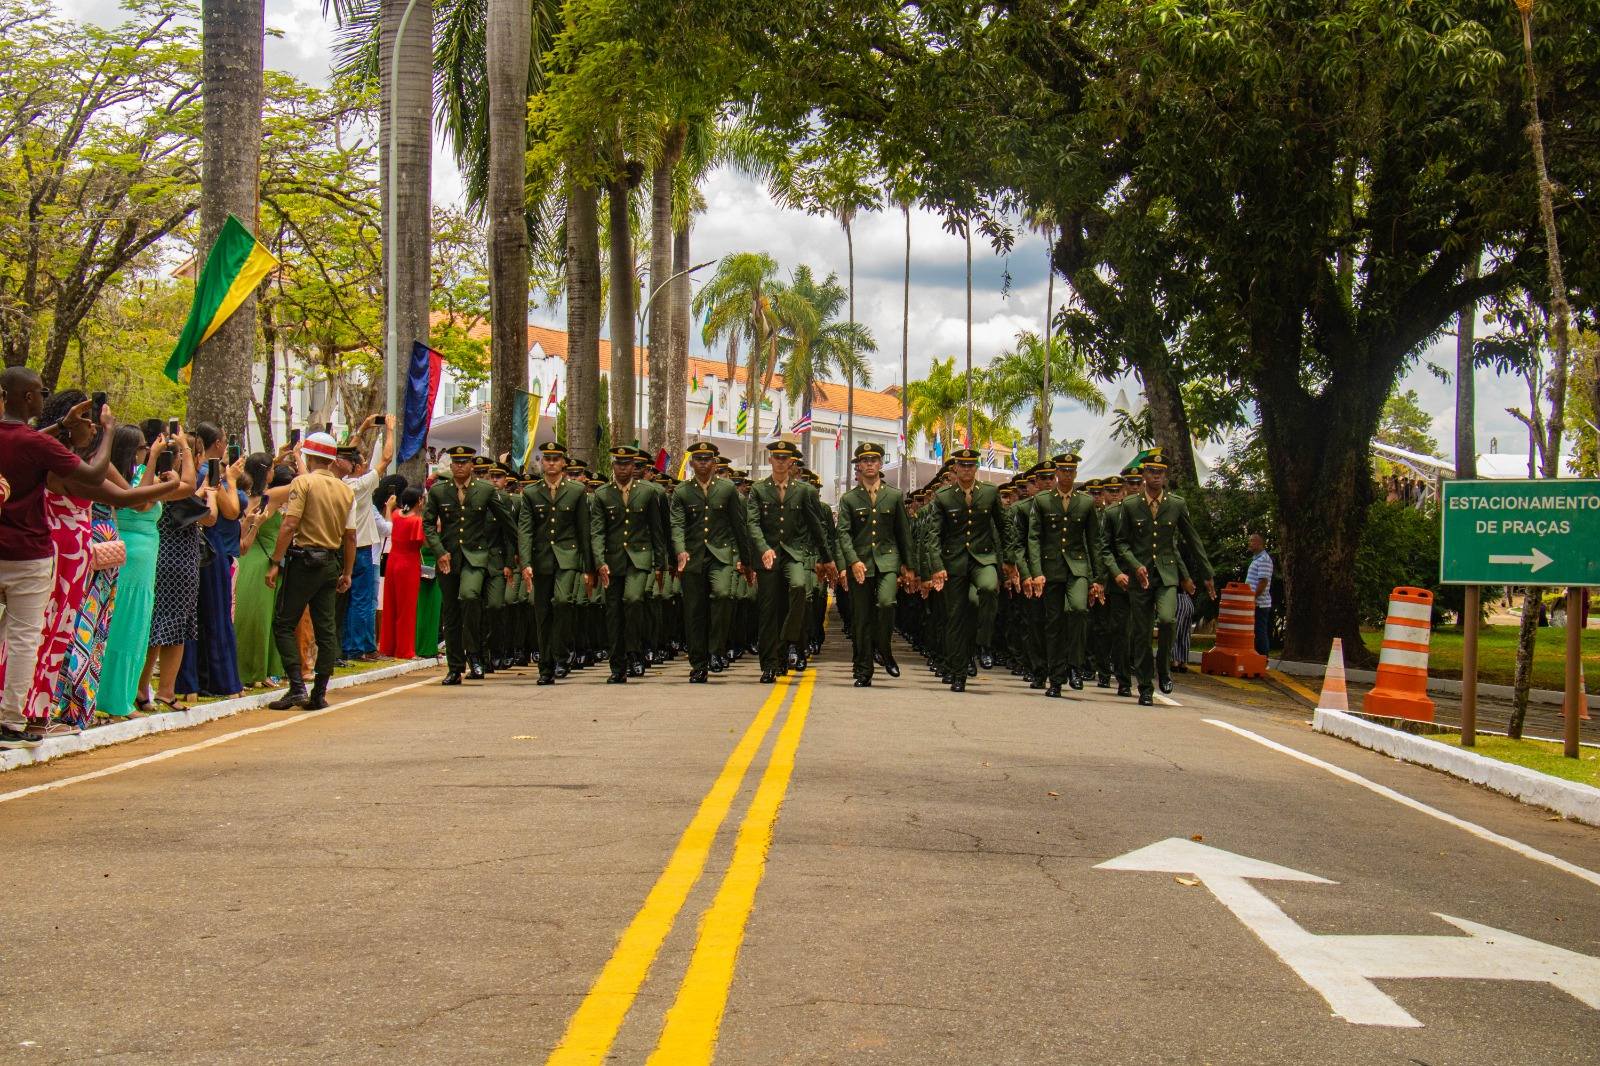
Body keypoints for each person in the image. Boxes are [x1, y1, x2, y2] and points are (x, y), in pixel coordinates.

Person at [99, 430, 195, 716]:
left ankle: (124, 696)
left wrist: (185, 451)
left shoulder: (142, 474)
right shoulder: (117, 475)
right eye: (143, 447)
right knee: (120, 628)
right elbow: (139, 501)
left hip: (145, 560)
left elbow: (188, 486)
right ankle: (115, 699)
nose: (146, 450)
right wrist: (153, 459)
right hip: (125, 554)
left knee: (137, 629)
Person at [1108, 451, 1213, 705]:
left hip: (1166, 575)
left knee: (1167, 620)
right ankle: (1145, 686)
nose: (1156, 477)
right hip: (1140, 577)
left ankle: (1163, 668)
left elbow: (1192, 539)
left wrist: (1207, 573)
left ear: (1165, 476)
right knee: (1142, 633)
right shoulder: (1130, 505)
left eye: (1161, 473)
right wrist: (1134, 566)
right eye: (1152, 472)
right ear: (1144, 475)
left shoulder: (1176, 504)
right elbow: (1121, 543)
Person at [265, 432, 356, 710]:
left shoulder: (303, 483)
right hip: (331, 562)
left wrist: (276, 561)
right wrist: (347, 572)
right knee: (325, 629)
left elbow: (290, 524)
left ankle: (296, 686)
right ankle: (319, 691)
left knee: (283, 623)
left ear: (309, 457)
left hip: (304, 560)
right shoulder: (346, 490)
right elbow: (350, 537)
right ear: (331, 459)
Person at [922, 448, 1021, 692]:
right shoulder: (944, 497)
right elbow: (933, 536)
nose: (966, 469)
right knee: (956, 618)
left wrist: (1008, 559)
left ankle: (984, 642)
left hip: (983, 558)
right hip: (954, 562)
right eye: (962, 465)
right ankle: (958, 672)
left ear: (976, 467)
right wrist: (936, 567)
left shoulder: (989, 493)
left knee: (988, 589)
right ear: (955, 468)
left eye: (971, 465)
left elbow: (1004, 526)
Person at [746, 439, 835, 682]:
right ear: (770, 459)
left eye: (785, 458)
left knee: (799, 588)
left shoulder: (803, 490)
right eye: (777, 457)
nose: (781, 461)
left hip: (794, 555)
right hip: (769, 558)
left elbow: (816, 527)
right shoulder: (758, 489)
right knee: (768, 611)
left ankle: (786, 643)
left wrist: (827, 559)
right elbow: (752, 523)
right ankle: (769, 664)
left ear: (792, 462)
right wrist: (763, 548)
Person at [670, 441, 759, 683]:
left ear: (714, 462)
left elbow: (739, 526)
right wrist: (680, 550)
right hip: (693, 557)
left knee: (722, 595)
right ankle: (698, 664)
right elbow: (677, 525)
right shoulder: (682, 492)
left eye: (707, 459)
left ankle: (715, 650)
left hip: (721, 555)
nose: (702, 463)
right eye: (698, 459)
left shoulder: (727, 489)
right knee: (694, 611)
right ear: (691, 463)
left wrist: (746, 561)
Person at [1026, 453, 1112, 697]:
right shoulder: (1043, 501)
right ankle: (1056, 677)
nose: (1066, 474)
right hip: (1051, 569)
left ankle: (1074, 665)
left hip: (1077, 567)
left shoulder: (1084, 503)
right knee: (1053, 623)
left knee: (1078, 610)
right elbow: (1034, 539)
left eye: (1070, 471)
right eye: (1062, 470)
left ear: (1075, 474)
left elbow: (1094, 541)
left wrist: (1097, 578)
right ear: (1056, 473)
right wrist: (1036, 572)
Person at [425, 445, 511, 684]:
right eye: (456, 462)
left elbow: (506, 522)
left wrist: (518, 556)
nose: (460, 466)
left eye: (464, 462)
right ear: (451, 465)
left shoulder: (484, 490)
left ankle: (474, 655)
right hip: (449, 559)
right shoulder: (439, 492)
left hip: (476, 557)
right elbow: (428, 524)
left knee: (471, 597)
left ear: (472, 465)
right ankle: (454, 667)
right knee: (451, 612)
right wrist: (439, 551)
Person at [835, 442, 914, 687]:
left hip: (888, 561)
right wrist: (852, 562)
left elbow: (903, 533)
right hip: (860, 563)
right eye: (865, 461)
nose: (869, 464)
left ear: (880, 465)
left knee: (887, 602)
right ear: (858, 466)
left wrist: (909, 567)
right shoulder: (849, 499)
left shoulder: (894, 495)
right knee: (861, 618)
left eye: (874, 460)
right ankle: (862, 670)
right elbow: (843, 534)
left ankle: (884, 648)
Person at [589, 447, 669, 683]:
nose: (623, 468)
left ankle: (635, 652)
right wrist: (599, 561)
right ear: (613, 466)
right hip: (612, 561)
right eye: (619, 464)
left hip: (639, 558)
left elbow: (657, 530)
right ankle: (617, 665)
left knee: (633, 600)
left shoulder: (646, 492)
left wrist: (659, 564)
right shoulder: (602, 494)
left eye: (627, 464)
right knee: (613, 613)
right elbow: (597, 532)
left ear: (634, 466)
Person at [178, 425, 246, 699]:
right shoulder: (210, 474)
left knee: (195, 615)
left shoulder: (192, 474)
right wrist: (231, 478)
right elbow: (231, 511)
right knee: (216, 614)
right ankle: (222, 681)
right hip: (210, 546)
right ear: (216, 444)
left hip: (200, 546)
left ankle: (194, 680)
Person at [518, 441, 592, 686]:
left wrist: (587, 567)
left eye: (555, 459)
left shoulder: (576, 491)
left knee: (562, 602)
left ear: (563, 463)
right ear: (541, 462)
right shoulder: (530, 493)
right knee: (542, 613)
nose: (550, 463)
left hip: (568, 557)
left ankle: (561, 653)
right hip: (541, 559)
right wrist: (526, 562)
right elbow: (526, 530)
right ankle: (545, 667)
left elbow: (583, 531)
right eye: (546, 459)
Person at [335, 415, 395, 662]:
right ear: (355, 467)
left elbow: (345, 454)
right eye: (360, 463)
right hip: (360, 547)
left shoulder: (337, 484)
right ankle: (360, 647)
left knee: (347, 601)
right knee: (363, 600)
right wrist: (390, 430)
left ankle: (351, 646)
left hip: (340, 547)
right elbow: (386, 458)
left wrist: (361, 429)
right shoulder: (360, 486)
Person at [236, 456, 296, 687]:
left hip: (245, 559)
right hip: (265, 561)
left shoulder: (240, 496)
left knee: (249, 615)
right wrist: (299, 457)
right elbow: (302, 482)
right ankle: (259, 671)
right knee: (264, 618)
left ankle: (253, 669)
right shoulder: (269, 498)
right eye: (272, 468)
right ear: (267, 473)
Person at [378, 486, 425, 659]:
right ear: (419, 501)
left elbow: (389, 526)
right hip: (409, 564)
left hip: (393, 560)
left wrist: (389, 509)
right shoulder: (417, 521)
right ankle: (405, 650)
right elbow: (422, 542)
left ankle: (388, 647)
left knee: (391, 605)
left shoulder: (396, 514)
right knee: (407, 608)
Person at [1247, 531, 1274, 657]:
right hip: (1255, 602)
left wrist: (1252, 598)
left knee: (1259, 632)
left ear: (1259, 543)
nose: (1250, 543)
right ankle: (1257, 658)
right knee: (1255, 632)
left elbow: (1263, 582)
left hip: (1260, 604)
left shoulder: (1264, 560)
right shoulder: (1256, 559)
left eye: (1252, 541)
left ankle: (1263, 658)